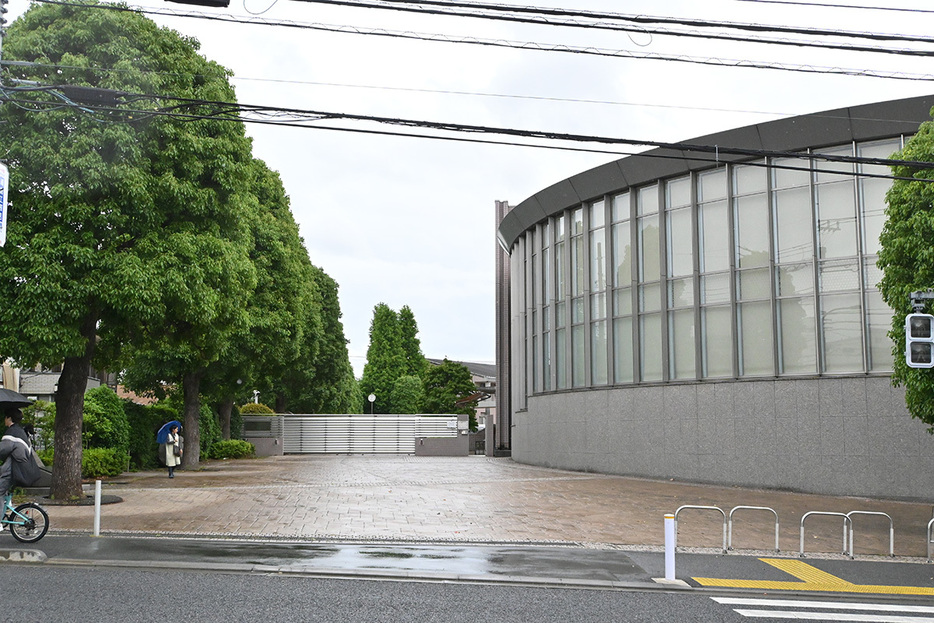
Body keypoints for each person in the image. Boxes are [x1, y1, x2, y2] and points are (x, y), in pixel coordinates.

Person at [0, 408, 40, 507]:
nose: (4, 420)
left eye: (5, 417)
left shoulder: (12, 433)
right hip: (21, 470)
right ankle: (7, 504)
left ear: (9, 418)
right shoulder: (20, 431)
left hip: (14, 470)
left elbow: (2, 449)